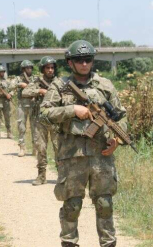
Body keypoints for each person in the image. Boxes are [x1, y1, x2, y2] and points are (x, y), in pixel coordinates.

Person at [40, 40, 127, 247]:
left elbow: (122, 116)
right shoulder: (59, 86)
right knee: (72, 205)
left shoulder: (105, 86)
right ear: (70, 62)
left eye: (88, 59)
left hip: (101, 157)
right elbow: (43, 114)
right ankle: (69, 243)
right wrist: (72, 111)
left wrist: (117, 139)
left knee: (104, 204)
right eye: (79, 60)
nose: (84, 64)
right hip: (72, 157)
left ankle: (108, 243)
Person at [22, 56, 59, 186]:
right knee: (41, 148)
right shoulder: (37, 81)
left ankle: (61, 176)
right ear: (43, 69)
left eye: (52, 67)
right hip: (39, 119)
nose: (50, 70)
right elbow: (25, 92)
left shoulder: (58, 82)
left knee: (58, 148)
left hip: (55, 119)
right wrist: (39, 91)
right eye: (47, 68)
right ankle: (41, 175)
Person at [12, 60, 38, 157]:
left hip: (33, 104)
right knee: (21, 127)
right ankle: (22, 147)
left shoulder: (35, 78)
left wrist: (29, 87)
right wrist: (19, 84)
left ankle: (35, 148)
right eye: (27, 68)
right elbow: (10, 85)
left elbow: (39, 87)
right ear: (23, 69)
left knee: (35, 127)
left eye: (31, 67)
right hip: (22, 105)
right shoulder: (18, 78)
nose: (29, 69)